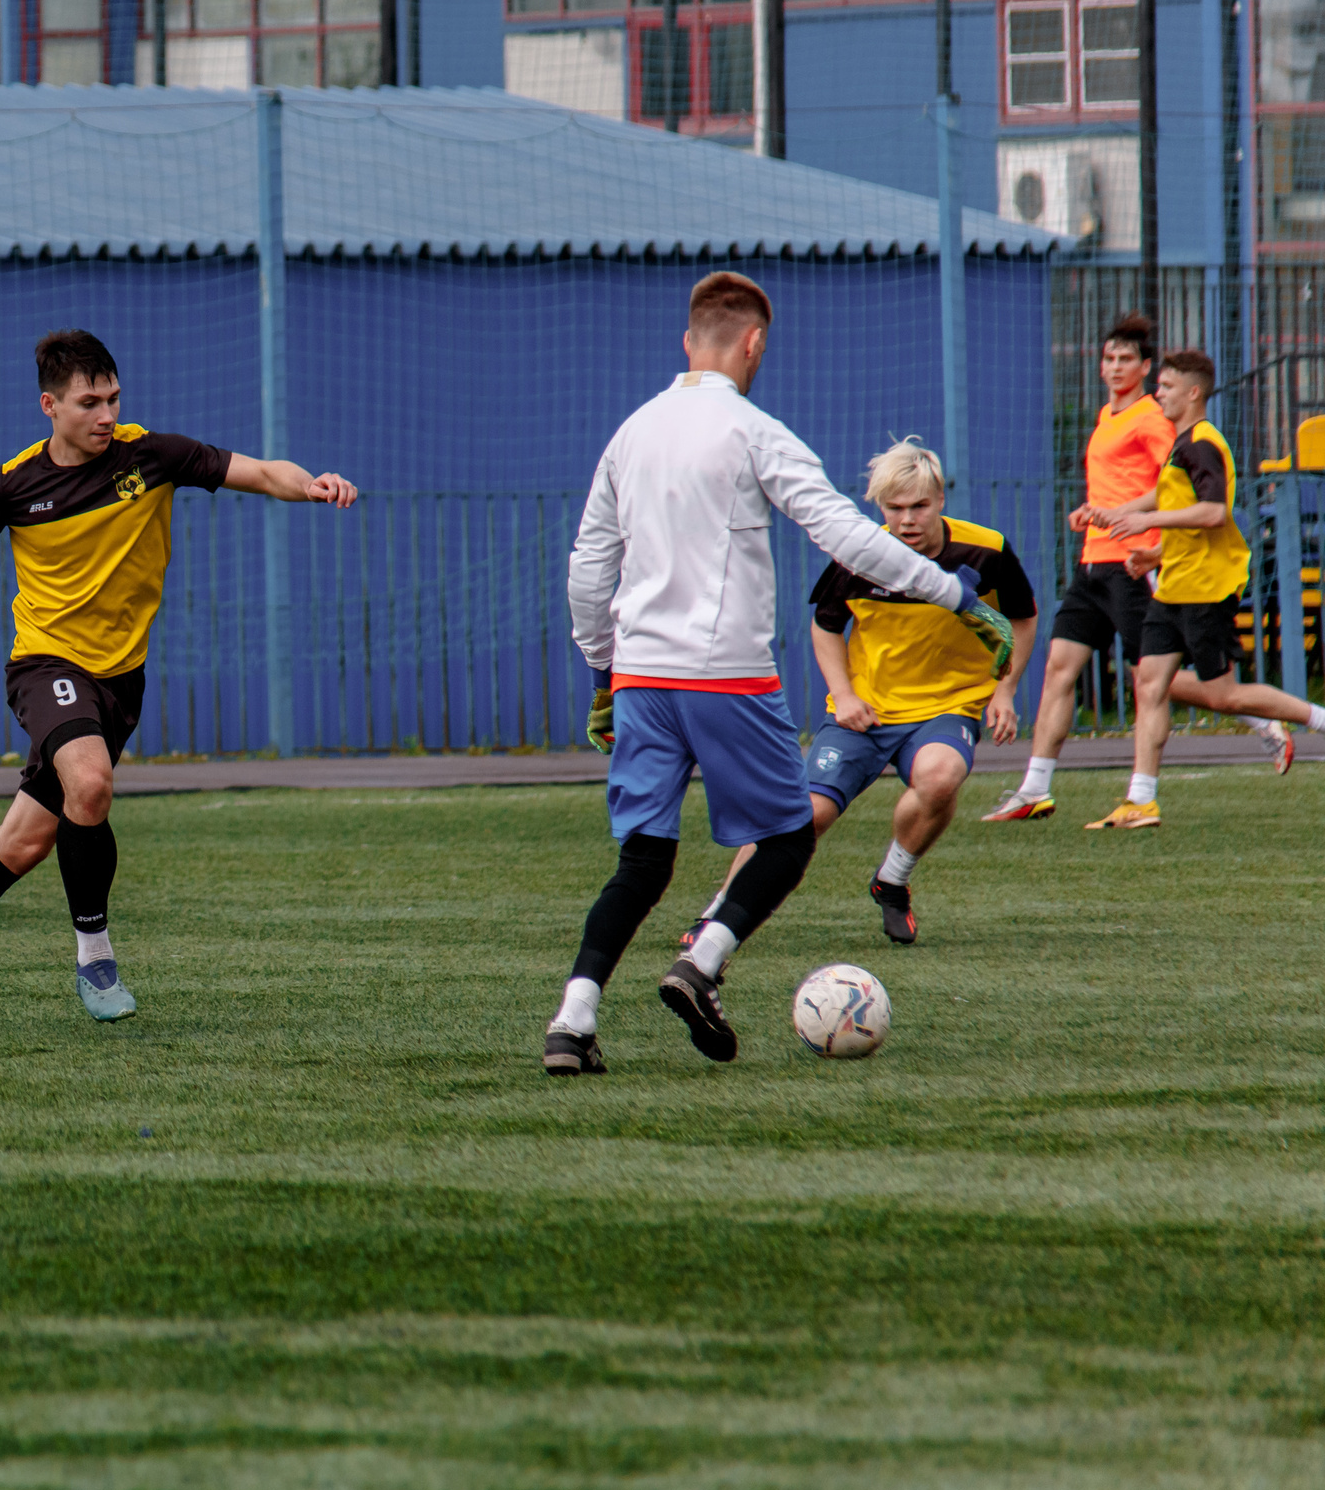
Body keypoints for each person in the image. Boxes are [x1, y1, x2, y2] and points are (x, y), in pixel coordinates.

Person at [546, 273, 1013, 1077]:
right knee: (791, 835)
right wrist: (952, 590)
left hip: (642, 681)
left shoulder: (630, 432)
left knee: (644, 860)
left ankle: (572, 1019)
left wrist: (600, 672)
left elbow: (590, 568)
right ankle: (701, 963)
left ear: (689, 340)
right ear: (754, 342)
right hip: (726, 675)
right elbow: (845, 534)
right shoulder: (753, 430)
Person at [0, 329, 356, 1031]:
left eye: (113, 397)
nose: (106, 413)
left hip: (120, 681)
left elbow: (261, 472)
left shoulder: (153, 455)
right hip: (47, 664)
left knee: (21, 842)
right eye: (89, 402)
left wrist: (311, 484)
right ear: (50, 405)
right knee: (91, 783)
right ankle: (94, 957)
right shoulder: (11, 485)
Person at [691, 437, 1036, 948]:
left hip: (948, 706)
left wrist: (1004, 690)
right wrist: (844, 694)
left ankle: (892, 881)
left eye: (919, 506)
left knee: (941, 778)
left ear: (940, 499)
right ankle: (718, 914)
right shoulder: (860, 556)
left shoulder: (986, 550)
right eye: (894, 508)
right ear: (880, 508)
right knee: (805, 818)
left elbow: (1022, 619)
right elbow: (825, 627)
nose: (907, 520)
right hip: (866, 711)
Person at [981, 316, 1279, 818]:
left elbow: (1173, 485)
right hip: (1093, 564)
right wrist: (1095, 511)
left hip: (1133, 566)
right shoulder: (1106, 417)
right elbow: (1120, 488)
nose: (1115, 367)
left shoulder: (1151, 418)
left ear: (1145, 369)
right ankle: (1035, 789)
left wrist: (1142, 532)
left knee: (1153, 677)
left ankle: (1252, 714)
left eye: (1126, 360)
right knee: (1060, 667)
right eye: (1109, 358)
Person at [1080, 349, 1325, 827]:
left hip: (1207, 590)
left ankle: (1318, 720)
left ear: (1193, 392)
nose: (1158, 394)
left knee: (1224, 696)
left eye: (1167, 387)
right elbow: (1177, 504)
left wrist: (1145, 520)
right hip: (1175, 586)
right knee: (1149, 681)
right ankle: (1141, 800)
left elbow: (1214, 514)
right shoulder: (1183, 443)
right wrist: (1142, 539)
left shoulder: (1203, 443)